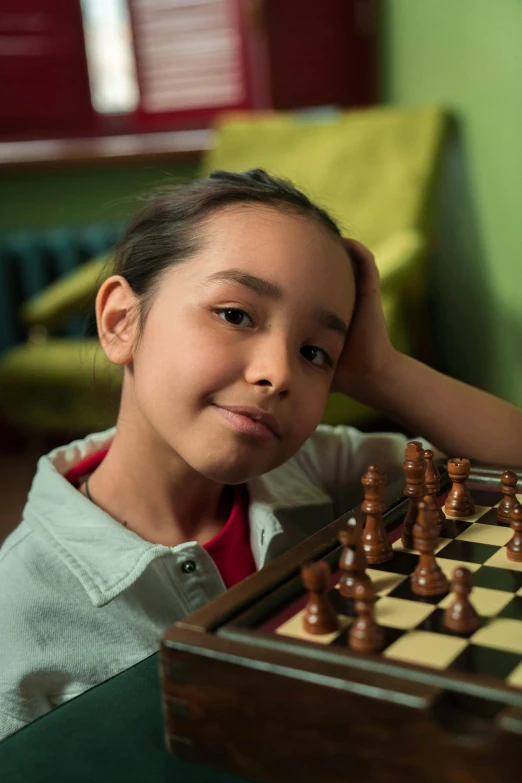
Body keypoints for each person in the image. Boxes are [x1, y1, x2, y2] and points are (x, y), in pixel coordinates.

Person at [0, 169, 521, 741]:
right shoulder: (18, 611)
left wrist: (380, 370)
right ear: (122, 321)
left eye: (315, 352)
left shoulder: (320, 470)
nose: (277, 373)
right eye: (235, 315)